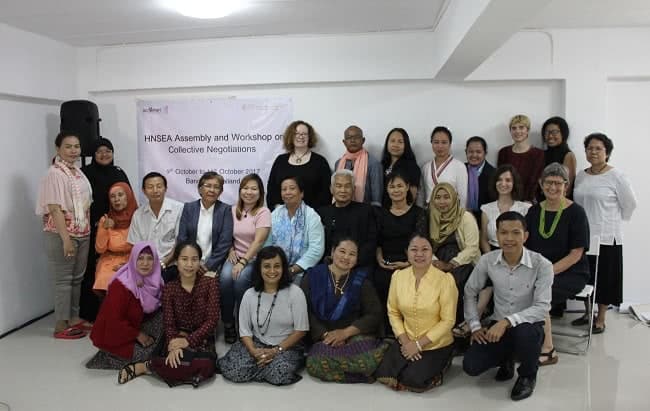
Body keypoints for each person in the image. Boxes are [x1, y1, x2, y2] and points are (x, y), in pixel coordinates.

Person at [463, 211, 553, 401]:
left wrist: (506, 321)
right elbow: (470, 291)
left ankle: (528, 375)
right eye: (503, 233)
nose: (509, 238)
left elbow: (542, 307)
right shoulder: (488, 260)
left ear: (525, 236)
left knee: (524, 333)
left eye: (515, 233)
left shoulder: (542, 265)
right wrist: (475, 326)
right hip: (498, 326)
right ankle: (507, 359)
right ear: (497, 236)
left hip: (528, 326)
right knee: (471, 366)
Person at [117, 241, 219, 384]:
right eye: (184, 259)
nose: (189, 264)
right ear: (176, 262)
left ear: (199, 262)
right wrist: (173, 345)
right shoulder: (169, 288)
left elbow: (212, 321)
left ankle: (149, 366)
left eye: (194, 259)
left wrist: (187, 341)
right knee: (181, 361)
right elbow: (169, 324)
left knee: (207, 366)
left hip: (201, 338)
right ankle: (153, 366)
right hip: (177, 336)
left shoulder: (210, 283)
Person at [525, 162, 591, 366]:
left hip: (572, 271)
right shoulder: (534, 211)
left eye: (558, 183)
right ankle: (522, 340)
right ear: (540, 183)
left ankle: (548, 349)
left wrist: (547, 272)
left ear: (566, 185)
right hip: (539, 270)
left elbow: (576, 253)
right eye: (548, 183)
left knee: (540, 291)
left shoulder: (576, 213)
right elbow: (525, 245)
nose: (552, 188)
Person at [375, 234, 457, 392]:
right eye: (414, 249)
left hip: (435, 344)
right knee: (384, 374)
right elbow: (393, 311)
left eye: (425, 249)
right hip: (407, 338)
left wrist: (419, 345)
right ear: (407, 252)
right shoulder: (398, 276)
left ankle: (445, 361)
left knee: (413, 381)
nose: (419, 254)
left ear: (432, 252)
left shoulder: (445, 280)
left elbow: (448, 321)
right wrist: (406, 342)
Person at [573, 133, 637, 333]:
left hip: (607, 236)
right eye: (589, 148)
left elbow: (630, 204)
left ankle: (601, 317)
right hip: (584, 235)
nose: (593, 152)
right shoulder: (581, 175)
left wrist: (614, 221)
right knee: (586, 277)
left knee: (605, 278)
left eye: (598, 148)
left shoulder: (616, 176)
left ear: (607, 152)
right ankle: (587, 313)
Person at [218, 246, 309, 385]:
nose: (272, 271)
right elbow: (244, 331)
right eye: (266, 266)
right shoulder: (249, 294)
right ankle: (264, 369)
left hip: (286, 346)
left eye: (277, 266)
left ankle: (262, 369)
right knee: (234, 371)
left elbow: (301, 330)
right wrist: (253, 351)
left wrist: (276, 351)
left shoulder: (295, 293)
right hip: (257, 343)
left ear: (284, 268)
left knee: (278, 373)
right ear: (259, 269)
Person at [303, 237, 388, 383]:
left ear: (356, 259)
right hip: (323, 338)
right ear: (332, 251)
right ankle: (361, 375)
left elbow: (374, 314)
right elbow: (304, 311)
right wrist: (325, 335)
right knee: (315, 362)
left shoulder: (361, 280)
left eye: (352, 254)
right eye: (342, 251)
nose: (346, 257)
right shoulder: (312, 276)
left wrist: (345, 333)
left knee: (367, 357)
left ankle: (356, 369)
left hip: (353, 336)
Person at [36, 131, 93, 339]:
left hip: (82, 231)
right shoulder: (54, 173)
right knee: (63, 280)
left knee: (77, 279)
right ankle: (61, 325)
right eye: (68, 146)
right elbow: (54, 208)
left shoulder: (77, 172)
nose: (73, 150)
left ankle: (74, 318)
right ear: (58, 149)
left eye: (76, 146)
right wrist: (66, 239)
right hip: (62, 233)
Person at [87, 242, 164, 369]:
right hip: (114, 335)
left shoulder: (155, 281)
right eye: (140, 258)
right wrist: (138, 335)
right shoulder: (121, 285)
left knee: (163, 319)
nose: (145, 263)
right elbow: (113, 321)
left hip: (134, 325)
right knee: (150, 357)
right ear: (133, 259)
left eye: (150, 258)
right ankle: (109, 357)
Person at [80, 137, 130, 321]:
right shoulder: (85, 173)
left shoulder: (118, 172)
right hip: (93, 226)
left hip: (120, 226)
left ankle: (118, 314)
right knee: (91, 269)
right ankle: (91, 312)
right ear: (93, 154)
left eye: (108, 150)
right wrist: (98, 223)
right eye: (100, 151)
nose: (104, 154)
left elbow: (128, 199)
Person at [221, 174, 271, 344]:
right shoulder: (232, 210)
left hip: (254, 258)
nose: (249, 192)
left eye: (253, 188)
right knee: (225, 279)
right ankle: (228, 323)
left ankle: (244, 326)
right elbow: (225, 234)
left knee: (241, 279)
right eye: (245, 188)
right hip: (235, 256)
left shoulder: (263, 212)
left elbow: (259, 241)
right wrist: (229, 250)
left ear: (260, 192)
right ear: (240, 190)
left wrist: (243, 262)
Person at [429, 183, 480, 326]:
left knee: (451, 285)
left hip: (463, 263)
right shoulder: (430, 217)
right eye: (438, 197)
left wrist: (450, 264)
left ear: (454, 198)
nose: (442, 201)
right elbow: (426, 245)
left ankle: (455, 325)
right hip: (437, 262)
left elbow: (472, 248)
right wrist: (434, 261)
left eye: (446, 197)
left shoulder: (465, 217)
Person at [374, 171, 427, 310]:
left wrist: (408, 263)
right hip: (385, 262)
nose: (396, 190)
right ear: (387, 189)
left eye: (400, 186)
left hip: (411, 262)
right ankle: (384, 329)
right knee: (380, 281)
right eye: (392, 187)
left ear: (407, 187)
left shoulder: (418, 213)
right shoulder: (380, 213)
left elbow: (421, 243)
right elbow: (377, 242)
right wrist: (380, 260)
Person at [265, 176, 324, 284]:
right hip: (275, 267)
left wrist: (292, 270)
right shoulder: (275, 214)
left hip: (300, 270)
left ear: (301, 193)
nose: (287, 192)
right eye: (284, 189)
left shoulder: (312, 216)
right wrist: (272, 267)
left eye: (292, 188)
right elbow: (267, 243)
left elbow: (316, 249)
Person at [176, 171, 233, 281]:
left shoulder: (225, 210)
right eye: (208, 186)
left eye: (216, 187)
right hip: (189, 263)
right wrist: (192, 264)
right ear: (200, 189)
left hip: (215, 263)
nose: (212, 190)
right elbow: (182, 238)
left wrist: (208, 266)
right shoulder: (189, 208)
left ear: (220, 192)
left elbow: (224, 243)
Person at [318, 170, 378, 270]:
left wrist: (351, 261)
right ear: (331, 189)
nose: (343, 190)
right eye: (339, 186)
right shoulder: (322, 213)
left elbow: (371, 242)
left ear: (353, 189)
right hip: (328, 265)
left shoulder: (365, 211)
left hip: (358, 265)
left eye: (347, 186)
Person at [266, 120, 332, 210]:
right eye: (296, 133)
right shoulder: (280, 161)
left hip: (312, 217)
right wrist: (279, 211)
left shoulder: (320, 162)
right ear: (290, 136)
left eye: (304, 134)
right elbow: (272, 190)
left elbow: (326, 193)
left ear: (310, 137)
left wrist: (311, 215)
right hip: (282, 217)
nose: (301, 137)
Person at [127, 172, 184, 276]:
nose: (155, 190)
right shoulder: (138, 214)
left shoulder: (179, 209)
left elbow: (179, 243)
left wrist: (164, 263)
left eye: (159, 186)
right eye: (150, 187)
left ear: (165, 188)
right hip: (145, 266)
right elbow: (135, 245)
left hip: (171, 265)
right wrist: (145, 265)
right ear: (144, 191)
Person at [93, 182, 138, 293]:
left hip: (133, 260)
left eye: (120, 195)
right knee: (106, 279)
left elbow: (143, 246)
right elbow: (100, 249)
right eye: (112, 197)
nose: (116, 199)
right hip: (110, 261)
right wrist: (104, 229)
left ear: (128, 196)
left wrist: (130, 264)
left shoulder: (138, 217)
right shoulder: (106, 219)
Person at [480, 165, 531, 253]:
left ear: (514, 183)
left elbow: (528, 240)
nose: (503, 183)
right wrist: (491, 260)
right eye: (499, 180)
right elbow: (484, 239)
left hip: (517, 254)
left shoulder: (525, 208)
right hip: (492, 254)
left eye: (508, 180)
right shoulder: (486, 209)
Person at [417, 126, 468, 208]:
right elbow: (421, 195)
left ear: (450, 144)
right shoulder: (426, 167)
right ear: (431, 143)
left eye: (444, 142)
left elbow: (463, 196)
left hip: (451, 213)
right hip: (430, 212)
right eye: (436, 142)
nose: (440, 146)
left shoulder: (459, 166)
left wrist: (460, 215)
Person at [497, 115, 545, 202]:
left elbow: (534, 181)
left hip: (529, 201)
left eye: (521, 127)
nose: (517, 131)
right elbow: (501, 179)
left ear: (527, 130)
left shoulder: (538, 154)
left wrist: (527, 201)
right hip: (507, 199)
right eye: (514, 128)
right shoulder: (503, 152)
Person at [334, 125, 383, 207]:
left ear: (363, 140)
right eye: (349, 138)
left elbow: (376, 197)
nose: (353, 140)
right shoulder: (338, 163)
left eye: (356, 137)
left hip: (365, 212)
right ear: (344, 142)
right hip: (341, 210)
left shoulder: (373, 163)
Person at [380, 128, 420, 206]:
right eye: (392, 141)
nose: (395, 145)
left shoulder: (412, 167)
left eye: (400, 142)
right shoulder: (382, 165)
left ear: (406, 145)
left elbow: (412, 196)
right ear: (387, 143)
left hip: (401, 212)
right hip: (383, 211)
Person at [541, 116, 576, 199]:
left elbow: (567, 188)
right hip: (544, 200)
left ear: (563, 133)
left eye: (555, 132)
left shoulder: (568, 155)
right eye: (547, 132)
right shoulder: (542, 154)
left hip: (559, 203)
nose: (550, 136)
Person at [465, 136, 496, 222]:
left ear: (485, 153)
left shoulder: (494, 174)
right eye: (470, 152)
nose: (474, 155)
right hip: (463, 218)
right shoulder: (460, 170)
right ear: (466, 152)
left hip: (487, 219)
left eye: (478, 152)